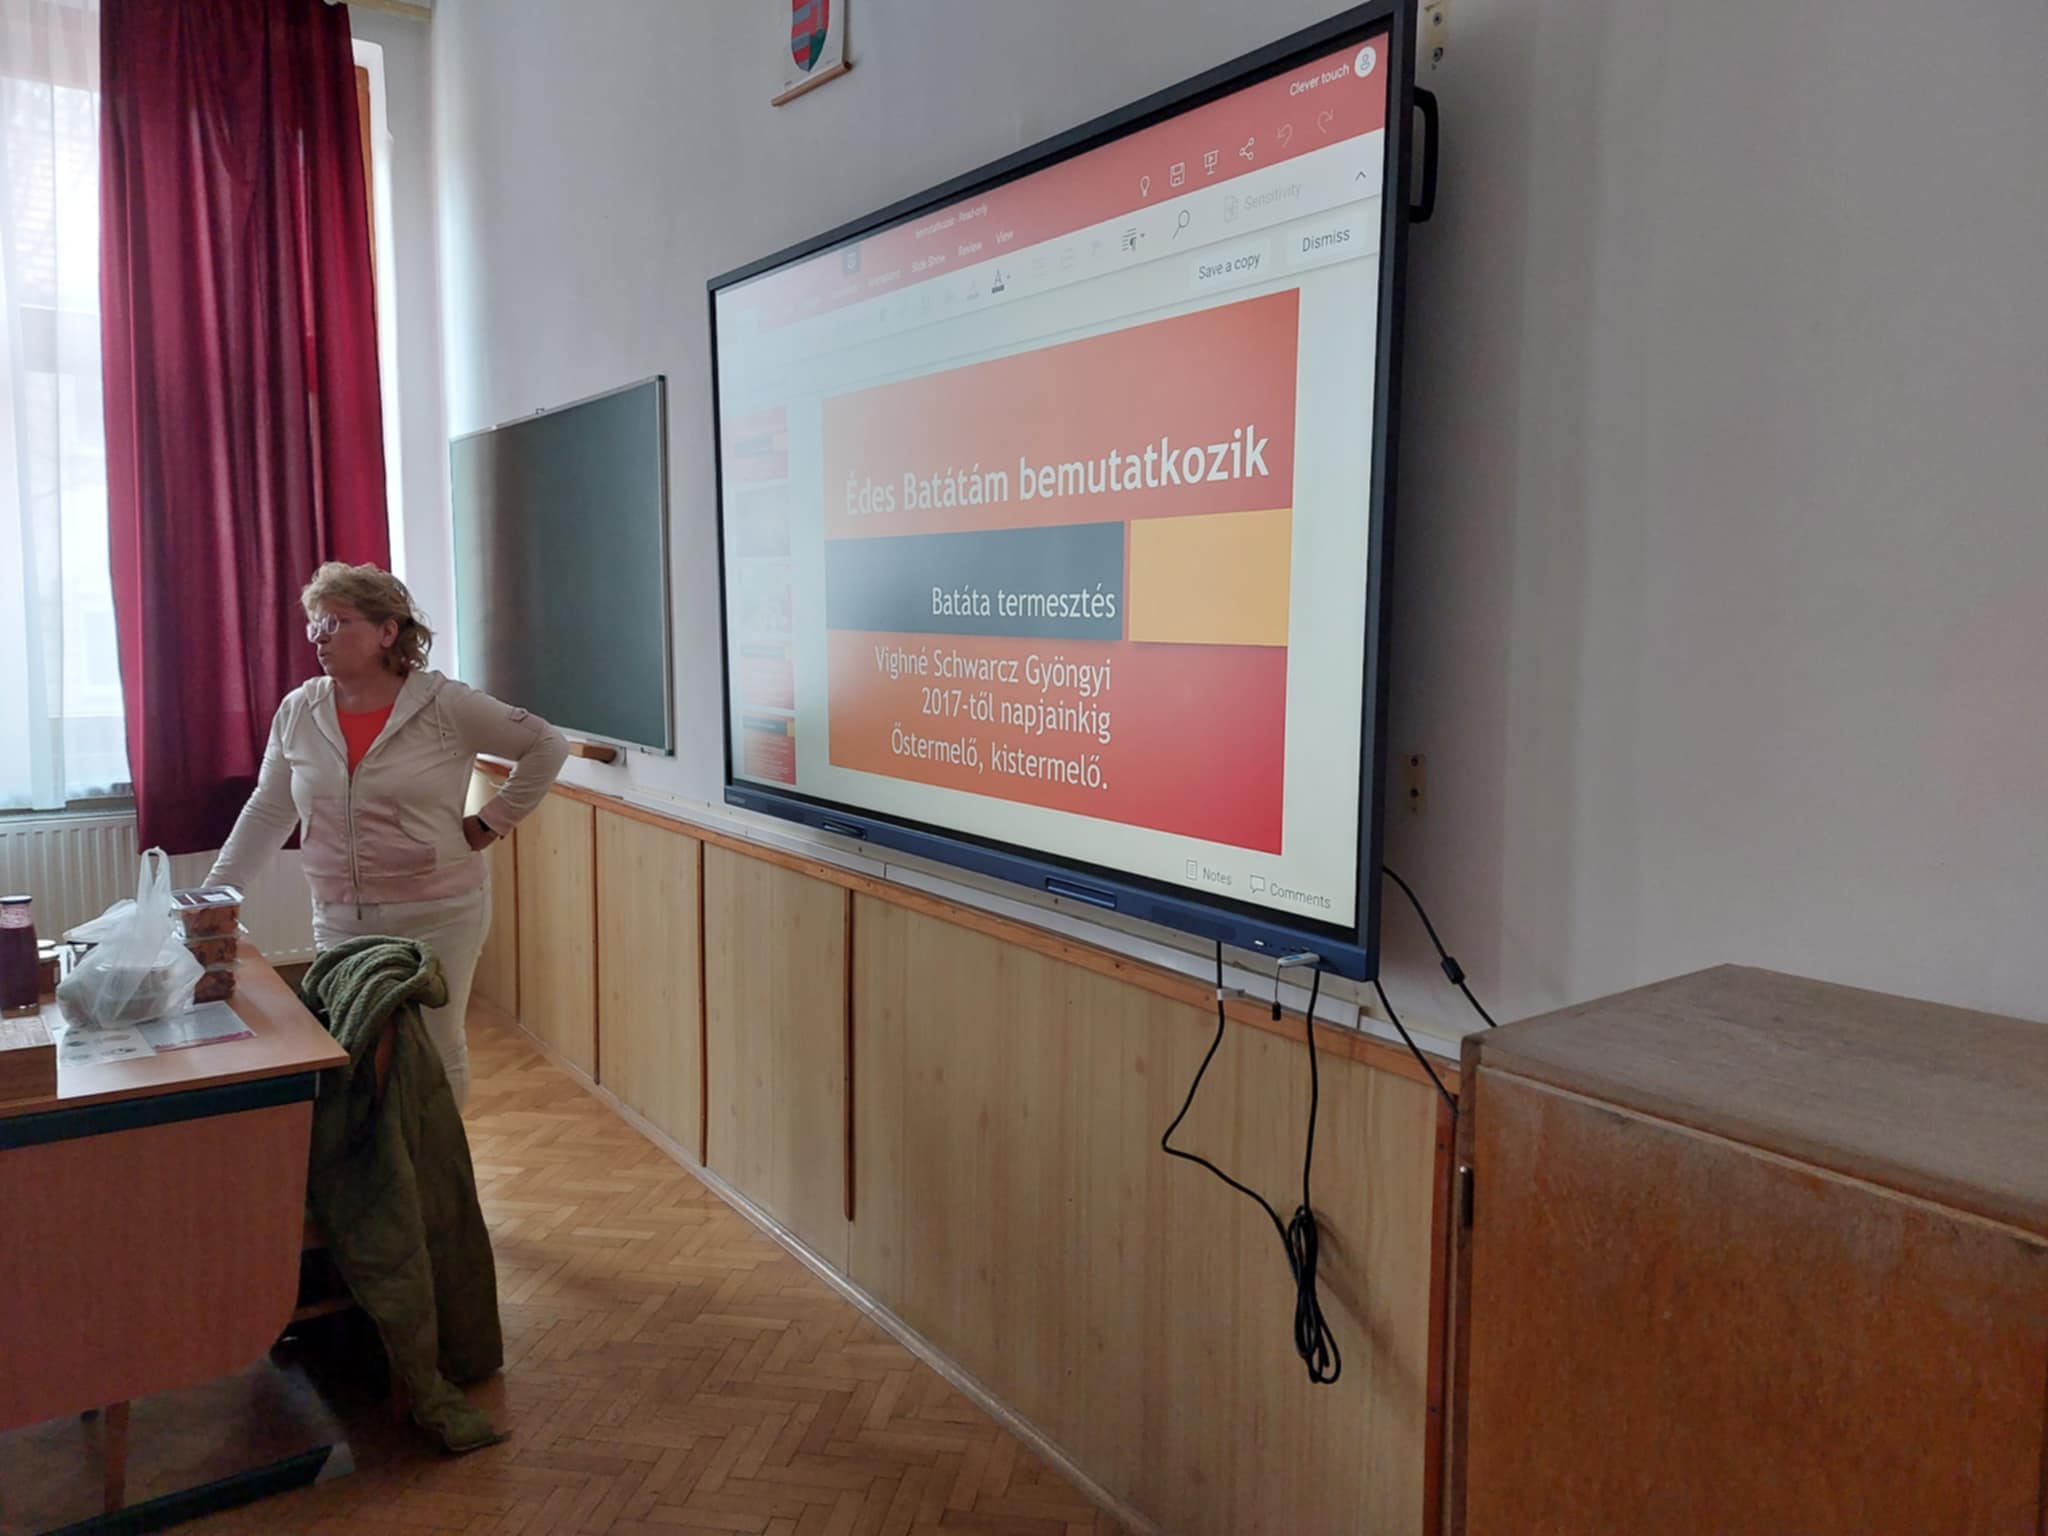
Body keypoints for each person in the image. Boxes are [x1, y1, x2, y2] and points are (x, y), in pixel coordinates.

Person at [208, 563, 568, 1108]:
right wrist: (215, 893)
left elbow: (546, 745)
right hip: (339, 915)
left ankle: (438, 1160)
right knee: (350, 1045)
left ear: (387, 631)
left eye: (336, 622)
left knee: (434, 1049)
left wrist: (491, 822)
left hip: (438, 912)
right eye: (314, 624)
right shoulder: (299, 710)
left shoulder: (445, 704)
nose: (319, 636)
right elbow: (270, 807)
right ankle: (375, 1159)